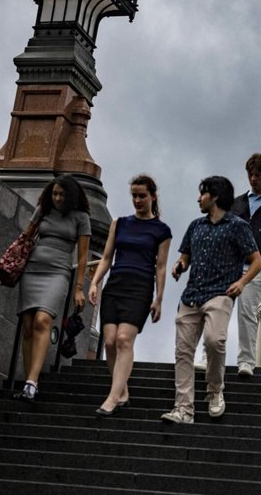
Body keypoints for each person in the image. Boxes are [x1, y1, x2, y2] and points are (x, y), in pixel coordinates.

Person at [161, 176, 261, 424]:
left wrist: (242, 282)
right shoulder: (196, 226)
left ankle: (215, 390)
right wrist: (180, 265)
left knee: (214, 340)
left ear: (215, 196)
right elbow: (186, 255)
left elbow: (257, 261)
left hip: (220, 293)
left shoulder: (238, 226)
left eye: (202, 193)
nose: (198, 198)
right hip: (191, 295)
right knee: (183, 352)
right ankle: (183, 409)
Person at [193, 153, 261, 377]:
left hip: (257, 268)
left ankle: (246, 361)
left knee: (247, 314)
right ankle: (207, 357)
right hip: (230, 266)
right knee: (217, 312)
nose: (253, 179)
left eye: (257, 175)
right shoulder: (237, 203)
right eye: (250, 174)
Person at [88, 175, 171, 416]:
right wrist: (94, 283)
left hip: (140, 287)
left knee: (124, 339)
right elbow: (106, 258)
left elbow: (161, 266)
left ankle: (112, 398)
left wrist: (159, 298)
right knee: (110, 341)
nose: (137, 200)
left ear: (152, 197)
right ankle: (122, 390)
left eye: (142, 196)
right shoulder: (119, 223)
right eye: (134, 195)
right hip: (115, 284)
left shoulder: (161, 230)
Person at [13, 174, 91, 402]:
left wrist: (78, 288)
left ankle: (32, 383)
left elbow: (84, 256)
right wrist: (5, 265)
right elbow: (24, 239)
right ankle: (29, 379)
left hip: (58, 271)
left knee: (43, 320)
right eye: (54, 193)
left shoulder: (81, 217)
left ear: (71, 196)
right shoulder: (43, 209)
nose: (57, 198)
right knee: (27, 326)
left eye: (62, 195)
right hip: (32, 268)